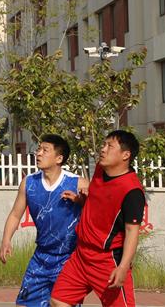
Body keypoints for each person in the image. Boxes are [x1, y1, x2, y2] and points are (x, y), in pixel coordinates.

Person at [50, 130, 146, 307]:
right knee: (58, 301)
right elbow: (99, 202)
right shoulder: (100, 170)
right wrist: (80, 201)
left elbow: (132, 231)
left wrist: (123, 267)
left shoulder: (132, 191)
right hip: (81, 255)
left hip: (107, 261)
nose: (103, 149)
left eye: (110, 146)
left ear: (126, 155)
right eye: (103, 144)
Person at [0, 134, 88, 307]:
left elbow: (97, 214)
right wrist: (6, 240)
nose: (38, 153)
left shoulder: (79, 184)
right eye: (38, 149)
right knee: (24, 304)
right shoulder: (29, 183)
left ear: (59, 158)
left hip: (70, 259)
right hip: (41, 257)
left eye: (45, 150)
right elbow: (15, 214)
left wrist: (80, 201)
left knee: (61, 304)